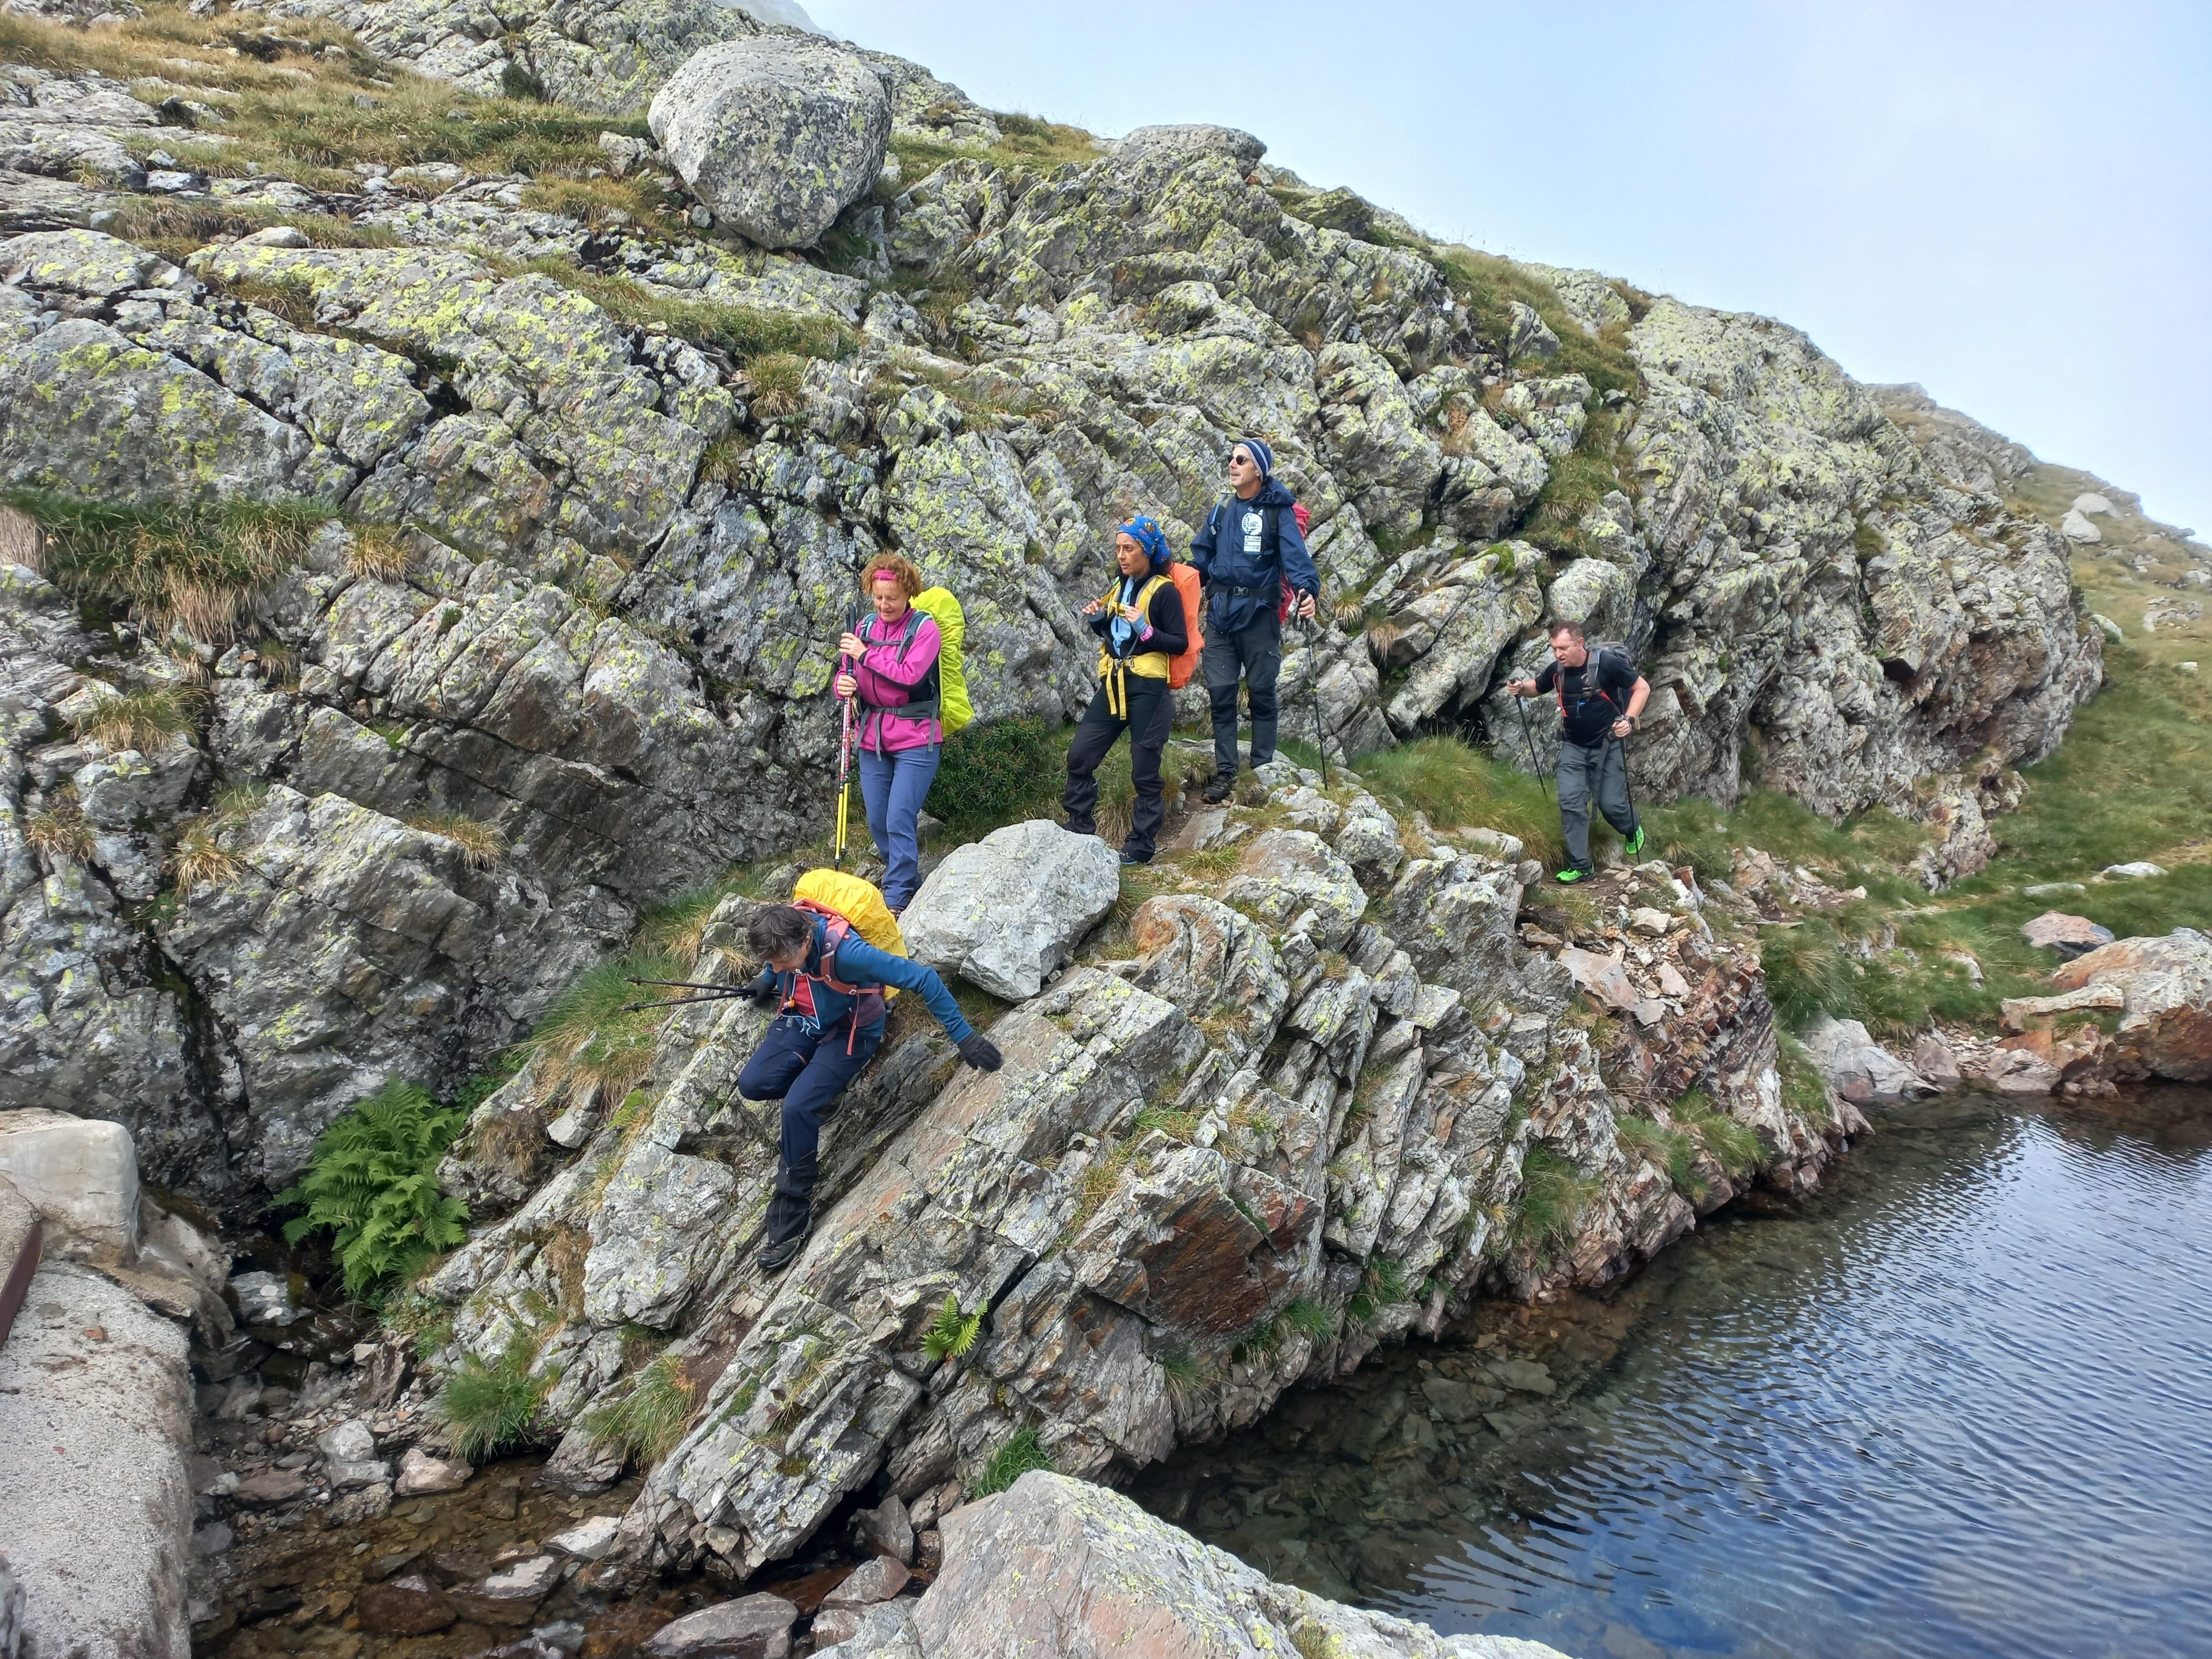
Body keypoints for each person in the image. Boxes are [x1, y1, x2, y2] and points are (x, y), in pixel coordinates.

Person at [738, 901, 1003, 1272]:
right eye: (773, 962)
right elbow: (777, 961)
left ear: (805, 941)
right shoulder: (791, 933)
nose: (779, 967)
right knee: (753, 1084)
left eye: (781, 961)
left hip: (850, 1032)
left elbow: (924, 979)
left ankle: (790, 1222)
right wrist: (768, 977)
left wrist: (965, 1038)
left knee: (797, 1107)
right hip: (804, 1017)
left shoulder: (849, 955)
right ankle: (820, 1095)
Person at [1188, 436, 1319, 803]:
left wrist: (1307, 592)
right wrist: (1173, 581)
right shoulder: (1221, 510)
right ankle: (1226, 773)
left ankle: (1262, 769)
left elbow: (1297, 561)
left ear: (1258, 470)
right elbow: (1201, 560)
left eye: (1241, 460)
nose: (1232, 464)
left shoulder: (1278, 512)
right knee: (1221, 695)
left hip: (1260, 617)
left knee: (1261, 692)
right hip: (1220, 616)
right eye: (1231, 459)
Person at [1063, 516, 1190, 865]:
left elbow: (1179, 643)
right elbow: (1117, 636)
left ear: (1147, 551)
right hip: (1115, 683)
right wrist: (1098, 621)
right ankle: (1079, 827)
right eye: (1118, 548)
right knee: (1080, 755)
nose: (1121, 555)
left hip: (1149, 688)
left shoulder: (1164, 591)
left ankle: (1140, 847)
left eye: (1129, 549)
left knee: (1145, 772)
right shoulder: (1120, 586)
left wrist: (1146, 630)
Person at [1506, 619, 1649, 884]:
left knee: (1611, 805)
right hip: (1573, 746)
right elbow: (1538, 686)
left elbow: (1642, 688)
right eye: (1554, 649)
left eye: (1563, 648)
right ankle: (1581, 866)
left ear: (1580, 643)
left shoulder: (1607, 664)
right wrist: (1521, 688)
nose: (1558, 654)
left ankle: (1632, 827)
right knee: (1571, 803)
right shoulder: (1557, 671)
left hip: (1608, 744)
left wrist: (1628, 719)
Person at [836, 554, 940, 913]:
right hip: (873, 736)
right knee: (879, 821)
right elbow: (847, 674)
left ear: (908, 593)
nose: (884, 605)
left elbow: (910, 675)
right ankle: (908, 880)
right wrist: (842, 684)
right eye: (878, 597)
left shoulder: (925, 629)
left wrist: (864, 654)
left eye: (892, 598)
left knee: (899, 816)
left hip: (917, 735)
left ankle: (896, 899)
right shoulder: (864, 627)